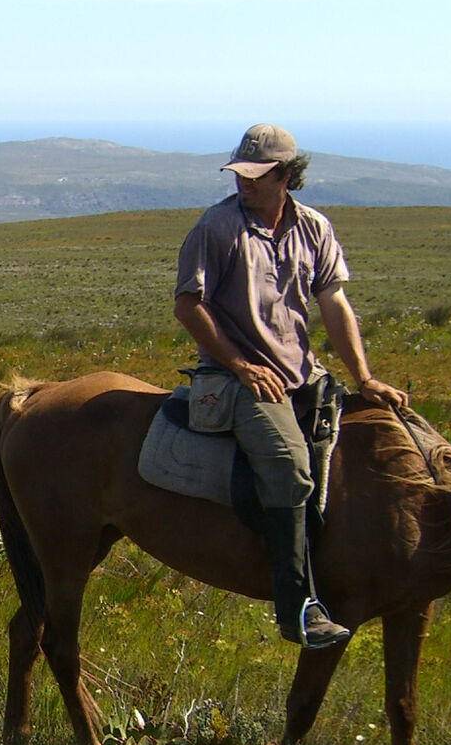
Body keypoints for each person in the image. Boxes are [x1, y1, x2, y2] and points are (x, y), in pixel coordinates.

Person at [172, 123, 409, 650]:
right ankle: (297, 606)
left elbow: (334, 304)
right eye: (240, 173)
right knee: (287, 462)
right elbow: (188, 305)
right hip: (234, 376)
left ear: (285, 176)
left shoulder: (315, 229)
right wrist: (240, 366)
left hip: (301, 373)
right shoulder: (216, 228)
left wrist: (364, 378)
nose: (244, 183)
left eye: (256, 175)